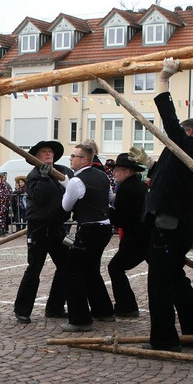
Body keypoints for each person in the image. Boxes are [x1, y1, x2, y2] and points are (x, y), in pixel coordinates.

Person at [142, 58, 193, 351]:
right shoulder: (183, 153)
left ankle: (164, 340)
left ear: (189, 134)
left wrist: (163, 82)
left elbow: (171, 126)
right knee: (173, 277)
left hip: (171, 224)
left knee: (159, 282)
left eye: (180, 134)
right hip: (168, 221)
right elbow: (169, 177)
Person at [13, 140, 73, 323]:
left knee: (66, 266)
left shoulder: (64, 172)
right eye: (44, 152)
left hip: (58, 228)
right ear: (37, 157)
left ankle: (55, 307)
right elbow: (40, 197)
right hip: (39, 228)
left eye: (50, 152)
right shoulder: (33, 176)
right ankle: (22, 310)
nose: (48, 155)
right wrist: (46, 178)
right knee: (34, 268)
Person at [58, 141, 114, 331]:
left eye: (74, 156)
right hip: (104, 227)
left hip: (89, 229)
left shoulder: (76, 181)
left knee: (71, 271)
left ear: (84, 160)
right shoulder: (103, 176)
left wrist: (67, 186)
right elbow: (109, 198)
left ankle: (80, 319)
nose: (71, 159)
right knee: (90, 270)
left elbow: (66, 207)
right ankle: (103, 311)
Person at [107, 152, 148, 318]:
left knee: (115, 267)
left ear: (127, 171)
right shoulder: (139, 186)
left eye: (116, 170)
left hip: (136, 238)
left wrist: (107, 210)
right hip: (144, 237)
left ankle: (126, 306)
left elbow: (122, 219)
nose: (114, 173)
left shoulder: (127, 189)